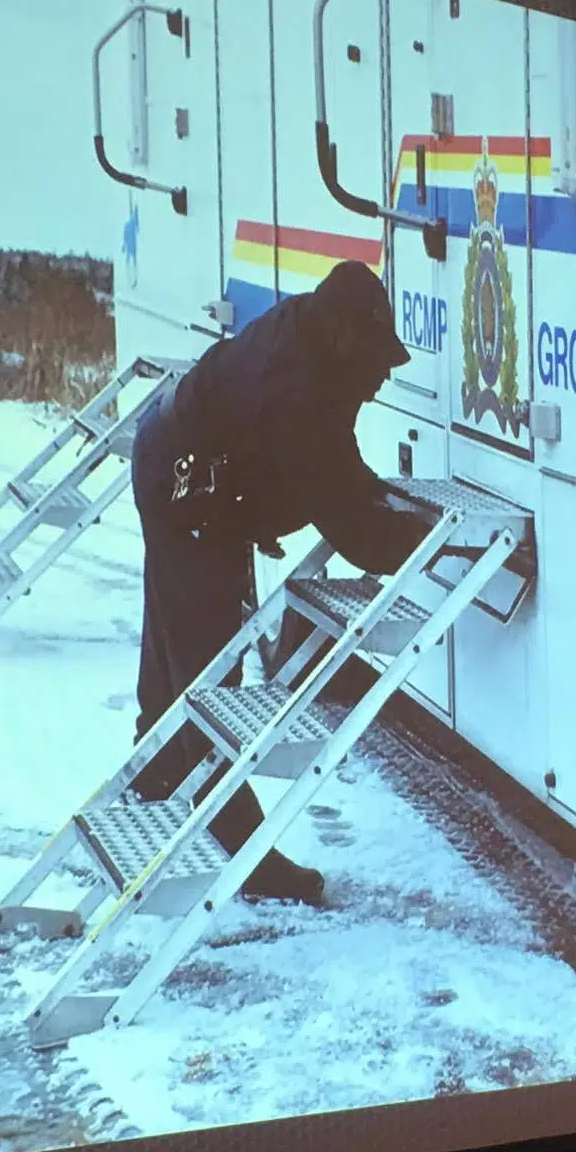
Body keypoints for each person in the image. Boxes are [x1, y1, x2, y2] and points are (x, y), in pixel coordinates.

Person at [128, 259, 431, 906]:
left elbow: (335, 460)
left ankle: (153, 780)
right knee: (206, 671)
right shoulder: (294, 386)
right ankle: (242, 853)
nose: (382, 378)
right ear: (345, 336)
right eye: (377, 360)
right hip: (184, 488)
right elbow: (350, 524)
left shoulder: (314, 338)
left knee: (173, 650)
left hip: (182, 464)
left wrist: (376, 493)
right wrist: (427, 538)